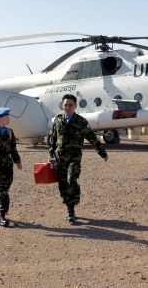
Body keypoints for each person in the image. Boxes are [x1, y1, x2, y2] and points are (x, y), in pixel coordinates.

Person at [49, 94, 109, 223]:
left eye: (71, 105)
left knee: (71, 180)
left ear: (75, 106)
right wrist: (50, 154)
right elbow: (53, 139)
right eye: (66, 105)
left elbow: (92, 137)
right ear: (62, 105)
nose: (68, 107)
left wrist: (102, 152)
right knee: (62, 183)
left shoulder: (81, 122)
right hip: (59, 158)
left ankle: (71, 209)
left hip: (74, 157)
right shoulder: (58, 120)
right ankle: (67, 204)